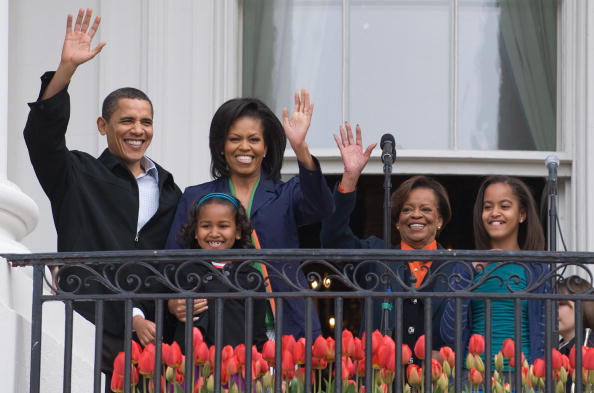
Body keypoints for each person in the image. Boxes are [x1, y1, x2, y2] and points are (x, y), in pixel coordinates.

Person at [23, 9, 181, 391]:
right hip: (89, 325)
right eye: (127, 121)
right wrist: (66, 71)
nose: (137, 130)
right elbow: (42, 139)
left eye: (146, 122)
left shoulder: (171, 191)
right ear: (103, 126)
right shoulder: (76, 175)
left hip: (157, 340)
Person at [165, 90, 334, 338]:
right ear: (222, 146)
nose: (244, 147)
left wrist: (300, 149)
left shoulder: (286, 193)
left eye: (254, 139)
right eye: (235, 139)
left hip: (282, 326)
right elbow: (171, 262)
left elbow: (321, 206)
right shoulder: (196, 197)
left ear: (266, 148)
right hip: (217, 328)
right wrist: (173, 302)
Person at [319, 122, 454, 363]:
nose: (416, 215)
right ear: (397, 222)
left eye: (425, 209)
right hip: (381, 379)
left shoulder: (457, 267)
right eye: (407, 209)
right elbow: (333, 239)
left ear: (440, 220)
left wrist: (450, 358)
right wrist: (350, 178)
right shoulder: (376, 255)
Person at [440, 175, 548, 366]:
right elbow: (449, 334)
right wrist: (469, 273)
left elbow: (547, 334)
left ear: (522, 214)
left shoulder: (537, 270)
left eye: (504, 206)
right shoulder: (465, 268)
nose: (494, 213)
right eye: (488, 207)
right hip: (473, 379)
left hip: (523, 380)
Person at [167, 193, 267, 349]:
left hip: (235, 365)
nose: (214, 233)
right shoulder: (184, 270)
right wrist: (172, 306)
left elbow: (257, 333)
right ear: (195, 231)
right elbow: (169, 316)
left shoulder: (250, 278)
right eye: (206, 226)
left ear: (238, 231)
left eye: (223, 226)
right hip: (194, 365)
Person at [557, 275, 594, 355]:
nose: (552, 309)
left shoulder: (589, 348)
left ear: (582, 307)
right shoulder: (559, 347)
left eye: (560, 304)